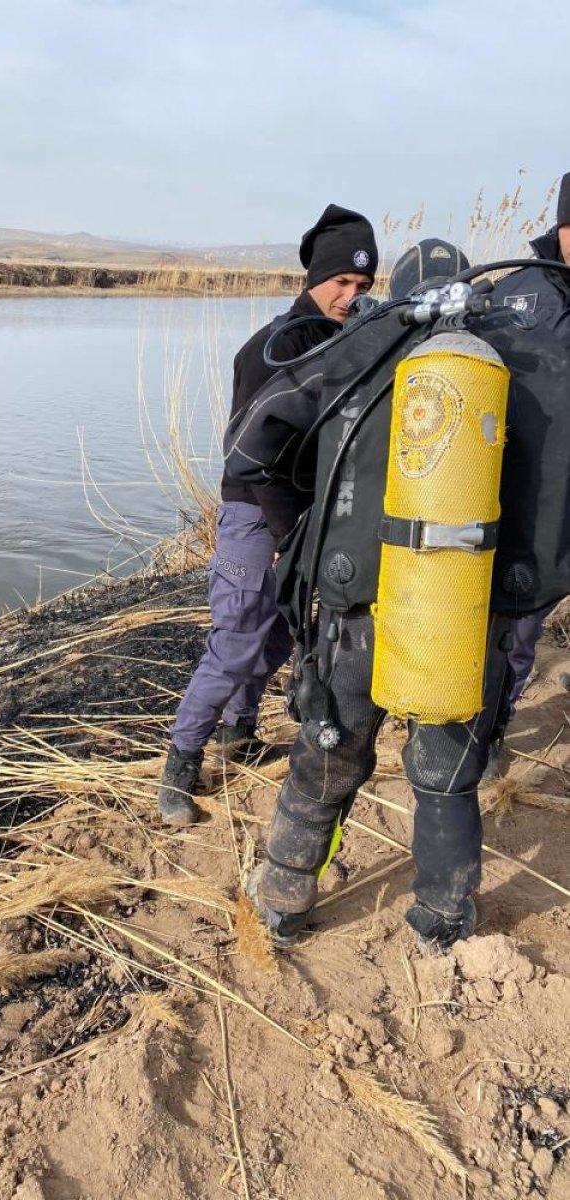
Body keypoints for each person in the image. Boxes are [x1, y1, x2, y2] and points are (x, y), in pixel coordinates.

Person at [223, 233, 570, 954]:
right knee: (446, 774)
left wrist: (307, 525)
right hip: (468, 605)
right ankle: (441, 922)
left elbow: (253, 444)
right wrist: (525, 593)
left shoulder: (366, 343)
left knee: (332, 749)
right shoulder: (535, 360)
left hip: (356, 601)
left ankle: (285, 899)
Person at [157, 205, 378, 826]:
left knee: (279, 631)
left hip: (297, 515)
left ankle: (238, 730)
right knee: (235, 641)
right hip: (257, 512)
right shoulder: (274, 348)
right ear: (314, 276)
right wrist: (284, 536)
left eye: (362, 287)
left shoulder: (342, 338)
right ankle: (179, 764)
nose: (349, 295)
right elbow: (257, 454)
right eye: (340, 282)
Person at [483, 171, 570, 776]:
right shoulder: (515, 295)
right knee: (507, 627)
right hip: (522, 502)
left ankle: (495, 722)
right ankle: (485, 732)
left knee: (524, 628)